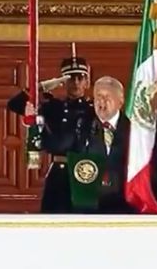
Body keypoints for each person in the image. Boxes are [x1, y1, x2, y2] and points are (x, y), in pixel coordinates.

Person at [7, 49, 96, 213]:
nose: (75, 82)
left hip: (86, 170)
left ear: (87, 82)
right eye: (70, 78)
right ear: (63, 81)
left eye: (80, 77)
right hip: (60, 172)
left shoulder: (94, 109)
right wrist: (43, 86)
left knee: (85, 219)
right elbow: (14, 104)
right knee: (54, 217)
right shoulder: (54, 107)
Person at [81, 75, 131, 213]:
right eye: (98, 97)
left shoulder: (133, 130)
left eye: (107, 97)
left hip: (124, 204)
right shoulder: (84, 126)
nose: (101, 102)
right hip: (91, 206)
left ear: (120, 101)